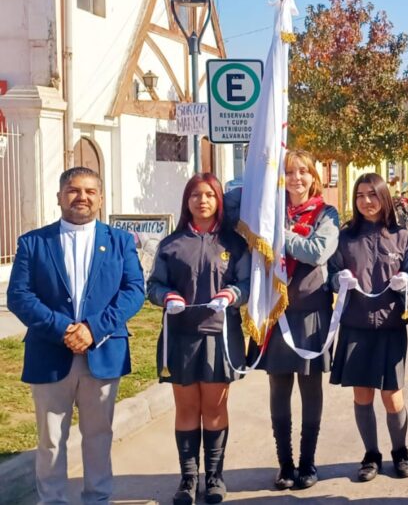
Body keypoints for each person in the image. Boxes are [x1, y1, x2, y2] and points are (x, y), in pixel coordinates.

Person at [7, 167, 145, 505]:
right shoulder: (33, 242)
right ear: (59, 197)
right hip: (50, 354)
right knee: (51, 438)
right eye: (73, 190)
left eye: (89, 191)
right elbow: (19, 296)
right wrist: (62, 329)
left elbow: (134, 291)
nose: (81, 197)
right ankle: (52, 500)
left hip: (103, 352)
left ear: (100, 198)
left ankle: (97, 498)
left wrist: (94, 328)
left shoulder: (120, 241)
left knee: (98, 436)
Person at [147, 173, 251, 505]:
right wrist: (167, 297)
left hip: (219, 336)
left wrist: (233, 293)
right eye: (195, 194)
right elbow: (154, 286)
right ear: (187, 201)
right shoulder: (171, 244)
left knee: (215, 408)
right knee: (187, 407)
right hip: (181, 337)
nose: (202, 200)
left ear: (219, 200)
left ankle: (215, 477)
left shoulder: (234, 244)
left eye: (208, 194)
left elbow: (248, 284)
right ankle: (188, 479)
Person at [247, 149, 340, 490]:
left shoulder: (326, 213)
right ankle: (285, 464)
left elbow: (317, 252)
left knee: (310, 387)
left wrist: (275, 235)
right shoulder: (270, 211)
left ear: (314, 177)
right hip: (276, 310)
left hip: (312, 311)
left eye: (303, 172)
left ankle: (308, 463)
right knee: (279, 387)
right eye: (289, 172)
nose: (297, 178)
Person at [329, 173, 408, 481]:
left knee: (392, 395)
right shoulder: (346, 237)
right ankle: (371, 455)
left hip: (392, 325)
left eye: (372, 194)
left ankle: (400, 451)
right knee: (362, 394)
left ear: (384, 197)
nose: (366, 201)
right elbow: (330, 274)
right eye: (360, 195)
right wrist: (338, 280)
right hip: (356, 325)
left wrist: (407, 280)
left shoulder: (402, 235)